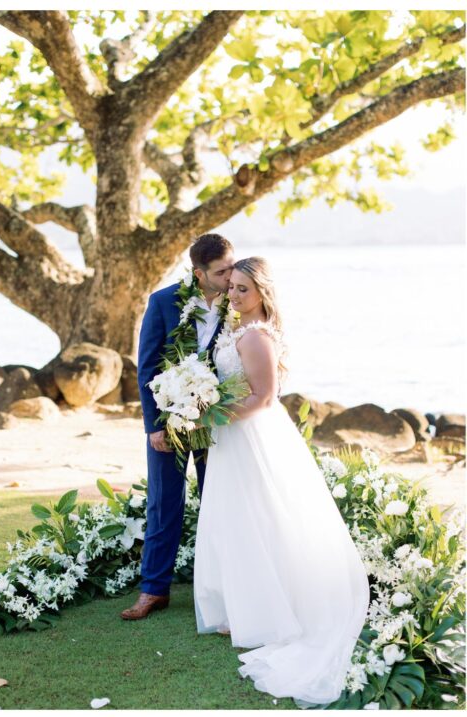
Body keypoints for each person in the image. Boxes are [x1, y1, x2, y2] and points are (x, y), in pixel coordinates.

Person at [193, 257, 368, 705]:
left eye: (243, 289)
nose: (233, 295)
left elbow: (265, 397)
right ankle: (243, 605)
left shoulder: (256, 335)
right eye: (231, 287)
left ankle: (273, 608)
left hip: (252, 437)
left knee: (263, 516)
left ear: (262, 293)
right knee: (238, 519)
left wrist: (209, 413)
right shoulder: (236, 330)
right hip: (231, 438)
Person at [121, 233, 233, 620]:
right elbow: (148, 367)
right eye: (222, 270)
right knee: (163, 502)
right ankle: (153, 590)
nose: (230, 275)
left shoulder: (239, 299)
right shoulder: (164, 302)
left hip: (215, 420)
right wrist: (154, 426)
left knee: (217, 502)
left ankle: (220, 589)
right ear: (199, 274)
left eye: (231, 266)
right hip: (169, 420)